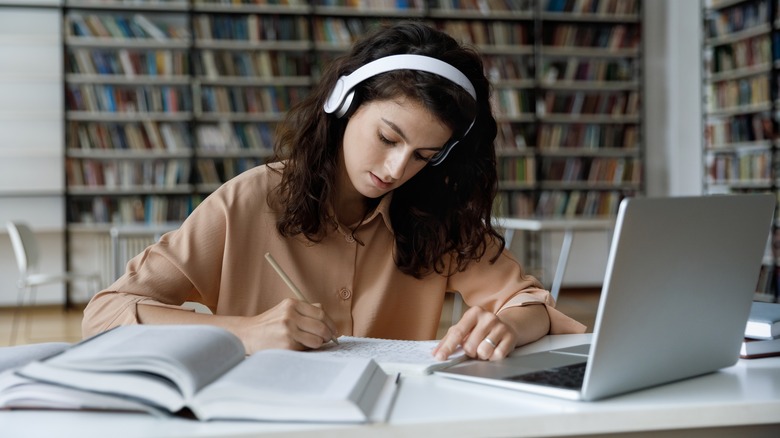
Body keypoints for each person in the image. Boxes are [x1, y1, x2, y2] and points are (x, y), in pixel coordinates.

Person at [82, 21, 585, 361]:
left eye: (423, 156)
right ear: (344, 105)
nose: (396, 168)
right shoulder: (250, 200)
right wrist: (245, 331)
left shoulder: (437, 214)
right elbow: (105, 315)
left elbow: (529, 302)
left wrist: (513, 326)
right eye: (388, 137)